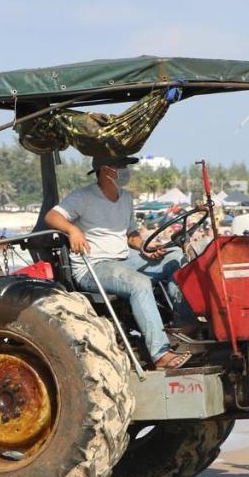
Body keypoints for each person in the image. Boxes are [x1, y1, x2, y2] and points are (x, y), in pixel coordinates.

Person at [45, 155, 193, 368]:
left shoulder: (125, 198)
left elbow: (131, 234)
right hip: (94, 267)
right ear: (106, 170)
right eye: (122, 167)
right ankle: (160, 354)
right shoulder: (83, 196)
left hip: (124, 259)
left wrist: (144, 247)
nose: (126, 171)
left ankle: (184, 325)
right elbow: (52, 216)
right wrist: (72, 230)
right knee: (139, 283)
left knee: (174, 257)